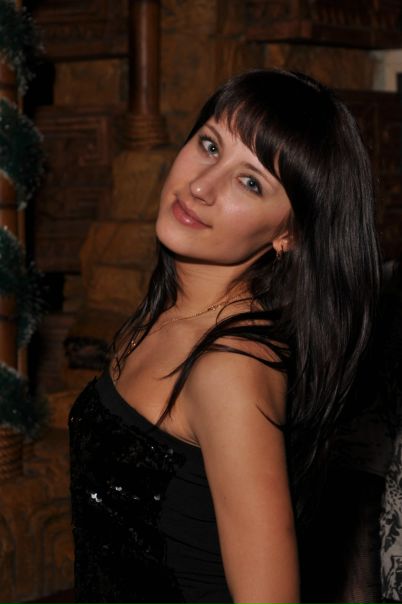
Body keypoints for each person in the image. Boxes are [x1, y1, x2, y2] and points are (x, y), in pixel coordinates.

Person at [69, 69, 381, 604]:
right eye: (210, 145)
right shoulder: (171, 311)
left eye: (250, 182)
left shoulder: (230, 369)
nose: (201, 186)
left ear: (289, 233)